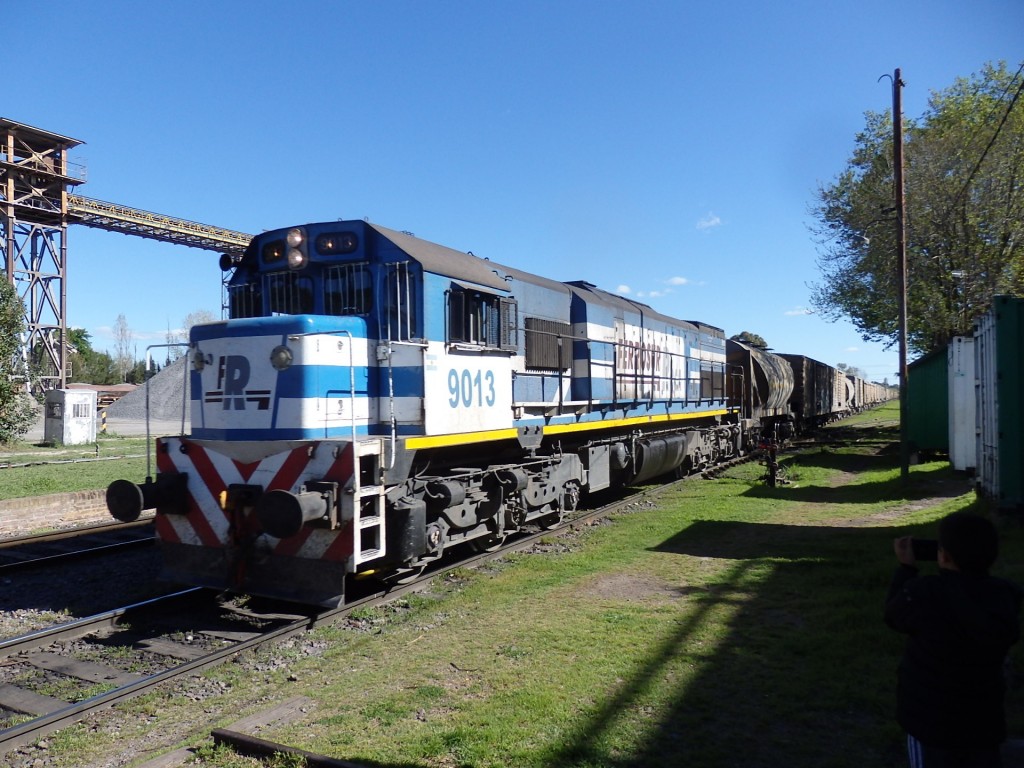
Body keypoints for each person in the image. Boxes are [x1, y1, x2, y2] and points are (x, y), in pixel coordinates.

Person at [886, 511, 1022, 767]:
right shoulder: (1004, 596)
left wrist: (905, 569)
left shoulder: (924, 593)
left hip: (930, 722)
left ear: (944, 555)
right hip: (984, 722)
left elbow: (893, 615)